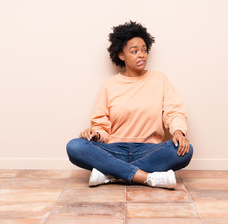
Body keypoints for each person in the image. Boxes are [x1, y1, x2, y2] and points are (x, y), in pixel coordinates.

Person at [66, 21, 193, 189]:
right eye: (134, 51)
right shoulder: (109, 85)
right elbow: (101, 125)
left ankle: (112, 175)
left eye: (144, 50)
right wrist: (95, 134)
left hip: (149, 151)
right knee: (75, 146)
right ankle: (147, 178)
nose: (141, 55)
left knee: (186, 150)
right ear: (121, 55)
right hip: (114, 150)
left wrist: (178, 132)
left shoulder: (159, 79)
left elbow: (174, 111)